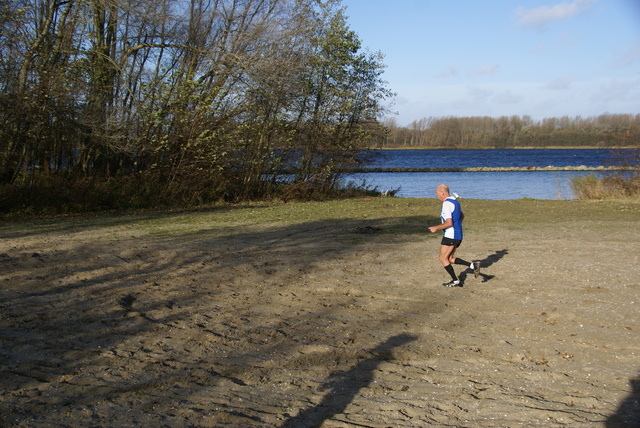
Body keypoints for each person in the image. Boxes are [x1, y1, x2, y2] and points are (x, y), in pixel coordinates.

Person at [428, 184, 480, 287]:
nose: (436, 195)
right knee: (449, 258)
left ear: (442, 193)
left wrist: (436, 228)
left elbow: (449, 223)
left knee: (442, 258)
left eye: (437, 193)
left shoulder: (447, 204)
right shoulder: (454, 201)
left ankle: (455, 281)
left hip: (451, 235)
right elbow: (462, 215)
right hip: (456, 234)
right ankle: (473, 265)